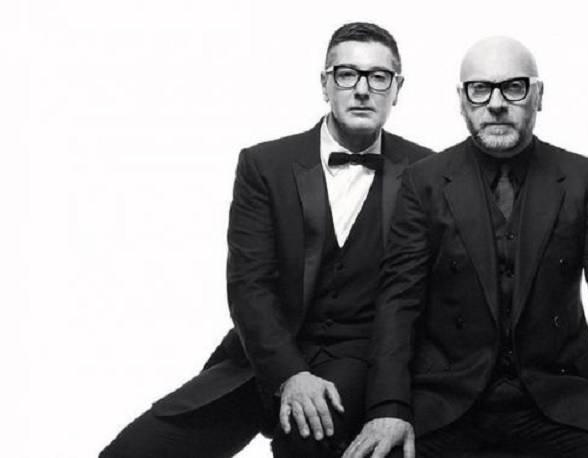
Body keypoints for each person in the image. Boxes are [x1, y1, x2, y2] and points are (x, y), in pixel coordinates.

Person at [100, 22, 432, 458]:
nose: (362, 90)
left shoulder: (426, 171)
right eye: (347, 74)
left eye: (379, 77)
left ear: (397, 88)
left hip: (358, 361)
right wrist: (290, 374)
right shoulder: (264, 164)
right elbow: (248, 285)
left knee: (308, 439)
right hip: (262, 358)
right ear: (325, 84)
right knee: (133, 451)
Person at [343, 37, 588, 458]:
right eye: (480, 89)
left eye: (513, 87)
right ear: (461, 100)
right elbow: (399, 300)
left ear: (538, 95)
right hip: (447, 399)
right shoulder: (424, 181)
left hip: (559, 397)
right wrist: (389, 407)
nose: (495, 103)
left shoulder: (584, 179)